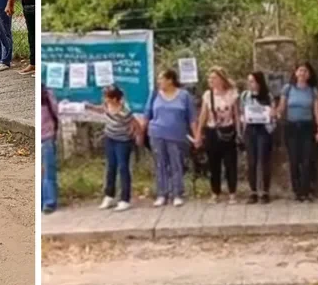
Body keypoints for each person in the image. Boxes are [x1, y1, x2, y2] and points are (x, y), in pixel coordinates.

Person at [143, 69, 197, 207]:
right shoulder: (154, 94)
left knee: (176, 164)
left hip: (177, 135)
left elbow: (192, 118)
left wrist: (196, 136)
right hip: (157, 134)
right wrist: (141, 131)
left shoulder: (184, 95)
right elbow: (147, 114)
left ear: (170, 80)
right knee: (160, 164)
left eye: (161, 79)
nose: (159, 82)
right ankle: (162, 194)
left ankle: (177, 193)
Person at [86, 85, 140, 212]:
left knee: (123, 168)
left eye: (107, 97)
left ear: (115, 99)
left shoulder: (124, 111)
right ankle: (109, 195)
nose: (105, 99)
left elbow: (136, 124)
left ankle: (125, 199)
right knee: (111, 167)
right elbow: (100, 110)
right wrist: (88, 106)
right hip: (110, 139)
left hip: (123, 142)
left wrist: (136, 136)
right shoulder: (106, 106)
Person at [276, 62, 318, 202]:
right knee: (294, 160)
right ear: (295, 73)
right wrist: (276, 113)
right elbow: (282, 107)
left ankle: (307, 190)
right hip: (291, 128)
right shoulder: (288, 88)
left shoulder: (312, 91)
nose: (302, 73)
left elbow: (317, 111)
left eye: (305, 71)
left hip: (307, 127)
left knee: (307, 159)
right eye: (300, 71)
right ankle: (297, 191)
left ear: (309, 74)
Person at [194, 67, 241, 204]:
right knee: (214, 164)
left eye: (214, 78)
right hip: (212, 131)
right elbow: (203, 115)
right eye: (210, 78)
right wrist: (198, 133)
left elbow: (236, 114)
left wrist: (239, 132)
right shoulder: (208, 95)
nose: (211, 80)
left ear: (221, 79)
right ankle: (215, 192)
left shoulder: (232, 93)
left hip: (228, 131)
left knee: (230, 163)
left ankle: (232, 193)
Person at [242, 71, 275, 204]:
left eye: (253, 81)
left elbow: (273, 112)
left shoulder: (268, 96)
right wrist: (242, 121)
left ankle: (265, 191)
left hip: (263, 129)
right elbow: (241, 111)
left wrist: (272, 115)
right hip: (250, 129)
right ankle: (253, 191)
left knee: (264, 160)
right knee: (251, 161)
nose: (250, 84)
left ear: (259, 82)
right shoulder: (245, 96)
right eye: (249, 81)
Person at [41, 85, 59, 214]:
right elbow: (56, 111)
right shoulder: (47, 93)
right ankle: (49, 202)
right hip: (47, 136)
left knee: (42, 173)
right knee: (48, 172)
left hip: (44, 136)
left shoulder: (46, 94)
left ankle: (43, 201)